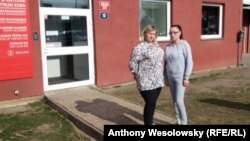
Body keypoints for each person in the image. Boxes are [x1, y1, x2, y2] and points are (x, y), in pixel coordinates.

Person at [129, 25, 164, 125]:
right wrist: (136, 74)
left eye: (154, 34)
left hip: (157, 79)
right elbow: (132, 63)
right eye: (149, 33)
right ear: (144, 34)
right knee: (150, 102)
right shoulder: (139, 47)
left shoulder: (156, 46)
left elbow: (159, 60)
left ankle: (150, 122)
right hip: (145, 80)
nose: (152, 36)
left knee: (152, 104)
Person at [164, 24, 193, 125]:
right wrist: (165, 77)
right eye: (170, 33)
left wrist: (186, 77)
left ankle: (184, 123)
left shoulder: (184, 45)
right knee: (174, 101)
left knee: (179, 101)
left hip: (180, 77)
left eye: (174, 32)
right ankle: (178, 121)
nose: (172, 34)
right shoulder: (168, 46)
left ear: (180, 33)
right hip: (170, 77)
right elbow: (166, 63)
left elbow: (189, 61)